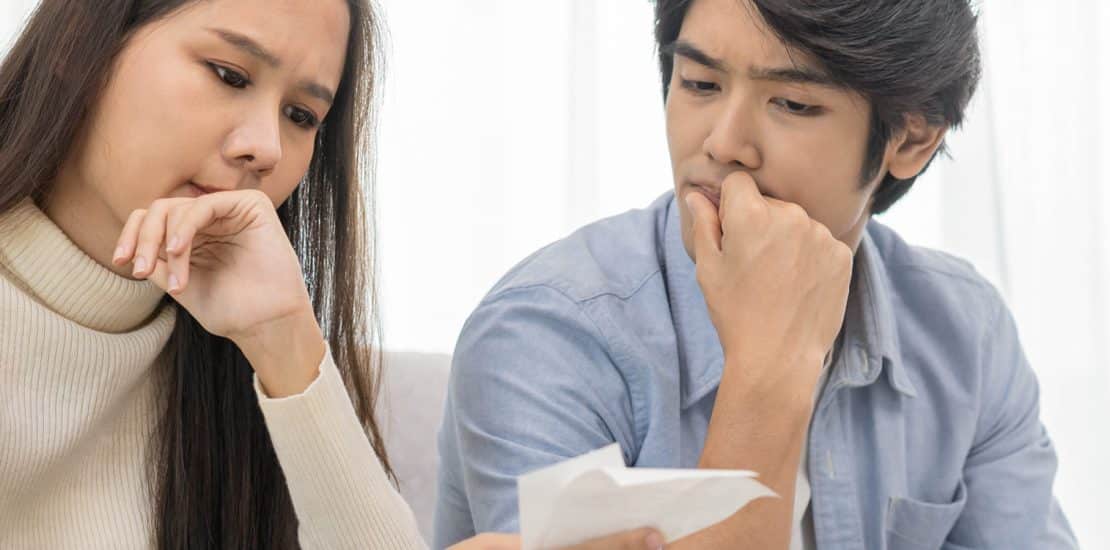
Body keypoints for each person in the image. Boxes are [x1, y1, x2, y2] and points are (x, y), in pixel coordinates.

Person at [0, 1, 663, 549]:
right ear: (81, 41)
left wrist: (284, 342)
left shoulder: (239, 355)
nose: (265, 146)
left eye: (301, 116)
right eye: (229, 74)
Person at [435, 0, 1078, 548]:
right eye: (700, 84)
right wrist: (769, 372)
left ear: (909, 140)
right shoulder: (543, 334)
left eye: (792, 102)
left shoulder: (968, 332)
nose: (722, 143)